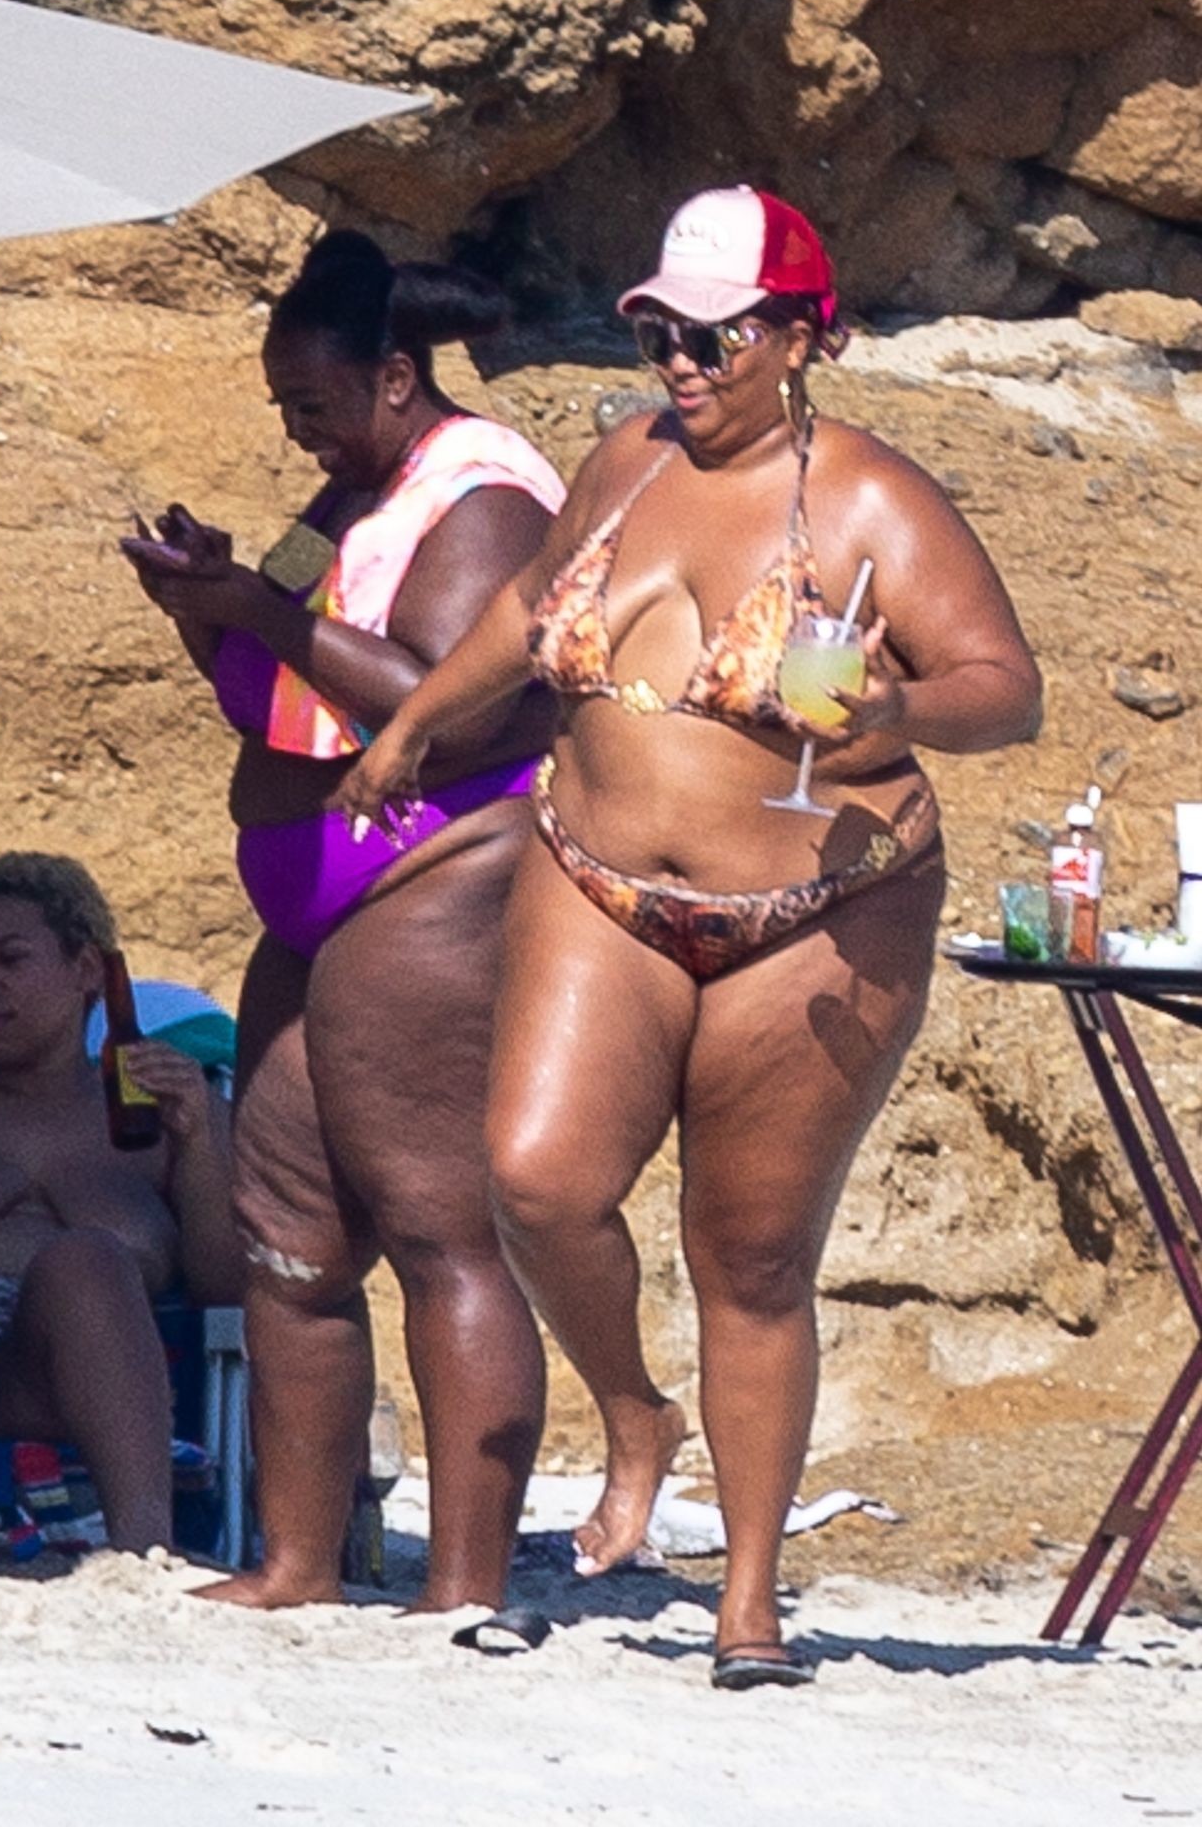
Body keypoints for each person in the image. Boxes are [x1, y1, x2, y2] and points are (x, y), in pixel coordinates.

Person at [342, 186, 1043, 1687]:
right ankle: (634, 1414)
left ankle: (750, 1599)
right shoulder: (626, 461)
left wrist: (900, 706)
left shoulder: (871, 502)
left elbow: (1006, 688)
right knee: (537, 1180)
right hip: (598, 877)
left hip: (818, 910)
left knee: (751, 1254)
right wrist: (413, 727)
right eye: (660, 329)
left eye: (715, 336)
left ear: (800, 338)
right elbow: (528, 603)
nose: (682, 361)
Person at [121, 232, 566, 1614]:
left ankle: (463, 1587)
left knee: (439, 1227)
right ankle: (297, 1563)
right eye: (281, 404)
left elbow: (443, 702)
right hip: (320, 900)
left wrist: (255, 605)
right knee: (285, 1230)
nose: (294, 427)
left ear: (394, 379)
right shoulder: (344, 498)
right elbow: (269, 681)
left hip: (436, 877)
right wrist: (205, 602)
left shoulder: (485, 498)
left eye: (310, 400)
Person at [0, 852, 239, 1554]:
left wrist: (197, 1142)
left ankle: (144, 1553)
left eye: (11, 959)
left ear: (88, 970)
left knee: (87, 1259)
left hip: (51, 1390)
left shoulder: (159, 1116)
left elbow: (224, 1291)